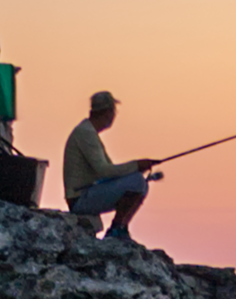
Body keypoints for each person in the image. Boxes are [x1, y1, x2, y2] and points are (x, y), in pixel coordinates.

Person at [60, 92, 161, 241]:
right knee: (137, 182)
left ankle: (121, 228)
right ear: (108, 113)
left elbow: (108, 171)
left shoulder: (88, 132)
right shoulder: (86, 134)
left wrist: (137, 168)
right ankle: (116, 229)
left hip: (85, 193)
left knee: (142, 184)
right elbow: (104, 171)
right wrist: (136, 166)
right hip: (80, 198)